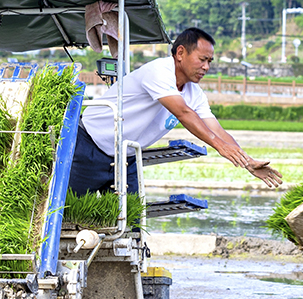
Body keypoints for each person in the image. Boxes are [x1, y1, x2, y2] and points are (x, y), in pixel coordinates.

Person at [70, 27, 281, 195]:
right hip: (88, 145)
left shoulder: (194, 93)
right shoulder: (159, 71)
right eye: (202, 59)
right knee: (67, 215)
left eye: (210, 62)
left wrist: (247, 161)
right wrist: (220, 147)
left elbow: (218, 130)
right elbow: (184, 113)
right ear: (180, 53)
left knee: (130, 226)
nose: (207, 67)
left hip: (124, 158)